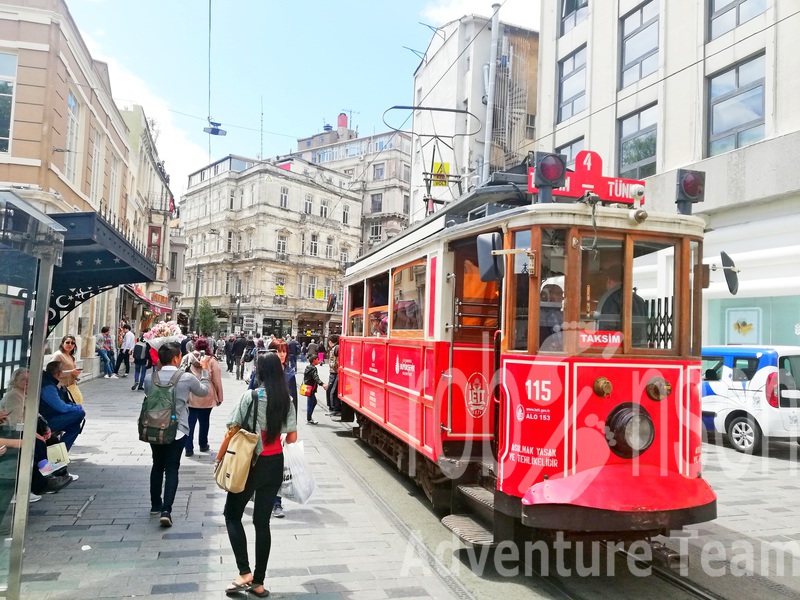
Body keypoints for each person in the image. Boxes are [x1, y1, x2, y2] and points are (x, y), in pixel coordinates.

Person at [222, 353, 297, 598]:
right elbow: (293, 437)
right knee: (262, 523)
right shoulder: (286, 400)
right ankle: (259, 581)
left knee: (232, 514)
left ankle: (244, 572)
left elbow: (232, 425)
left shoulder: (251, 396)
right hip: (275, 464)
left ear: (260, 371)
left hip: (250, 464)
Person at [144, 342, 210, 527]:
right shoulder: (186, 378)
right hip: (177, 430)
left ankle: (155, 505)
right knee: (172, 468)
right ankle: (167, 510)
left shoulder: (150, 378)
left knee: (157, 465)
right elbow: (204, 392)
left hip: (154, 428)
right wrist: (204, 371)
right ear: (176, 358)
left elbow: (149, 394)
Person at [249, 339, 298, 519]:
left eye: (284, 351)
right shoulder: (259, 373)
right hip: (258, 428)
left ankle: (276, 502)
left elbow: (293, 407)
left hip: (279, 429)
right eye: (278, 351)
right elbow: (250, 394)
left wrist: (290, 429)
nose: (282, 354)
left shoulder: (290, 376)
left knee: (278, 467)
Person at [184, 338, 223, 457]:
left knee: (189, 422)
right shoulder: (211, 360)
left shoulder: (188, 357)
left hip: (191, 394)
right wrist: (219, 396)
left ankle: (188, 448)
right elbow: (216, 380)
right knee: (205, 421)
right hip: (207, 395)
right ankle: (203, 444)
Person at [39, 361, 85, 450]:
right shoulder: (48, 386)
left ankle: (60, 452)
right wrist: (77, 407)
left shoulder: (50, 382)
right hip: (45, 420)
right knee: (79, 413)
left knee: (74, 427)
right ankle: (56, 452)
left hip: (49, 415)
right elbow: (61, 407)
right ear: (59, 374)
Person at [596, 264, 648, 343]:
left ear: (609, 280)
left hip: (616, 349)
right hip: (637, 347)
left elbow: (606, 331)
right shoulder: (639, 300)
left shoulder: (610, 298)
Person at [50, 334, 83, 404]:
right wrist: (71, 372)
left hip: (70, 387)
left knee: (76, 405)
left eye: (72, 343)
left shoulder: (71, 356)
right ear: (62, 343)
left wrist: (75, 373)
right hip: (60, 387)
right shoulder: (58, 355)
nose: (70, 345)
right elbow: (51, 371)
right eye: (67, 342)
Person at [302, 354, 327, 425]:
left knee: (313, 402)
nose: (318, 361)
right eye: (317, 359)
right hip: (311, 389)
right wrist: (322, 384)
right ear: (314, 360)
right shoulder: (313, 369)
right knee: (311, 403)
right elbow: (316, 378)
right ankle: (309, 419)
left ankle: (309, 418)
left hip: (307, 388)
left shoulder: (308, 367)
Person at [326, 335, 341, 417]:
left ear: (330, 342)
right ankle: (333, 408)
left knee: (332, 391)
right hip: (334, 372)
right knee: (331, 390)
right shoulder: (336, 347)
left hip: (335, 372)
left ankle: (334, 408)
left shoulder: (336, 348)